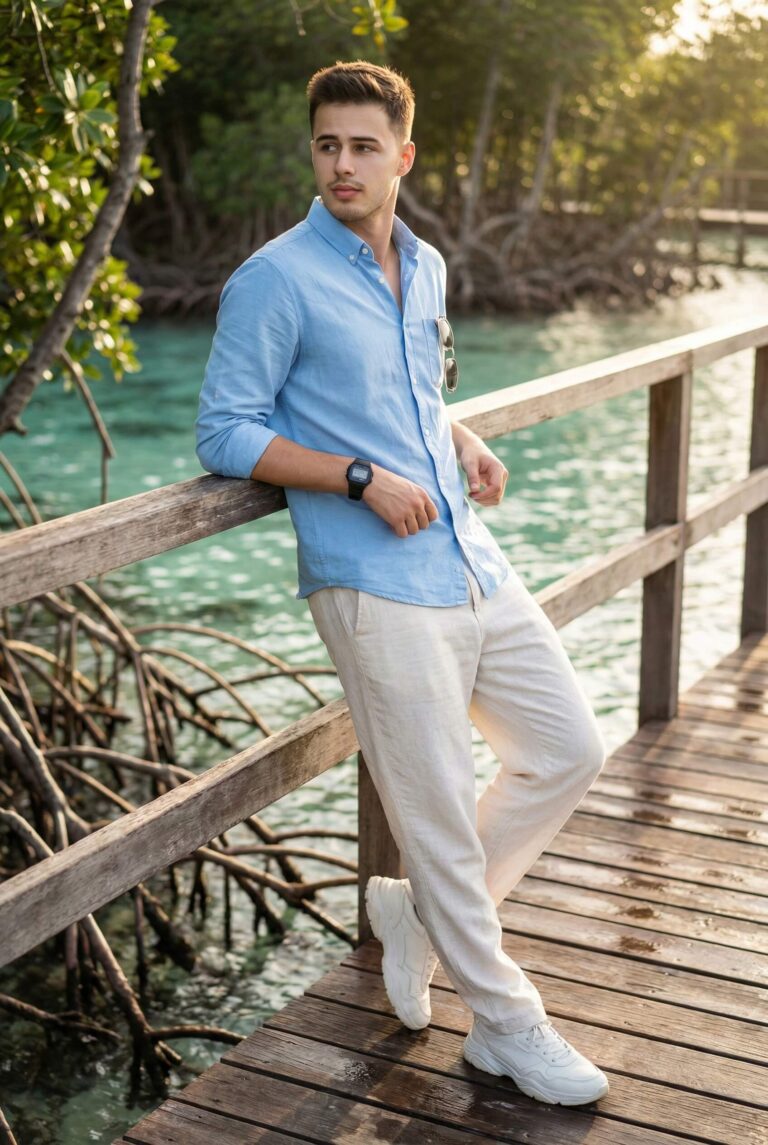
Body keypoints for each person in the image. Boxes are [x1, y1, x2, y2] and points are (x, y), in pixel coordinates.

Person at [195, 59, 610, 1107]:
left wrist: (456, 437)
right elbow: (225, 428)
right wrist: (357, 476)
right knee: (432, 814)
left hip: (466, 553)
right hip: (372, 581)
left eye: (363, 145)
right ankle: (507, 1026)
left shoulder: (421, 265)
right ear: (314, 153)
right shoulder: (274, 278)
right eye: (327, 144)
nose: (343, 162)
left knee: (566, 747)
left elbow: (410, 387)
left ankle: (416, 916)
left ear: (402, 157)